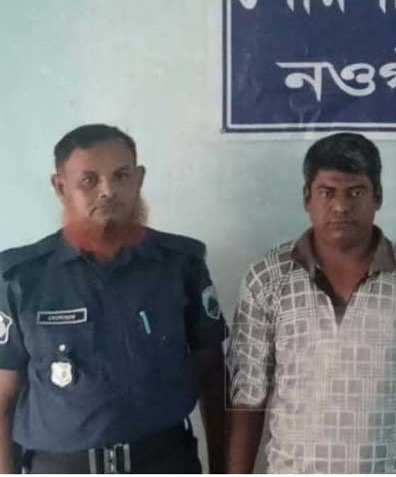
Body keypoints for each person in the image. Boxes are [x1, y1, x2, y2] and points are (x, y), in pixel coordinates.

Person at [226, 132, 396, 473]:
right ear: (307, 198)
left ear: (378, 197)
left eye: (355, 192)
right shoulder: (266, 278)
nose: (341, 206)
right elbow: (247, 403)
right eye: (327, 192)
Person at [0, 124, 226, 473]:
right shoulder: (21, 279)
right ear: (61, 187)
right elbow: (3, 398)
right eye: (89, 180)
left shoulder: (181, 266)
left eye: (121, 176)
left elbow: (214, 377)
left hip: (164, 463)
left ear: (139, 179)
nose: (108, 191)